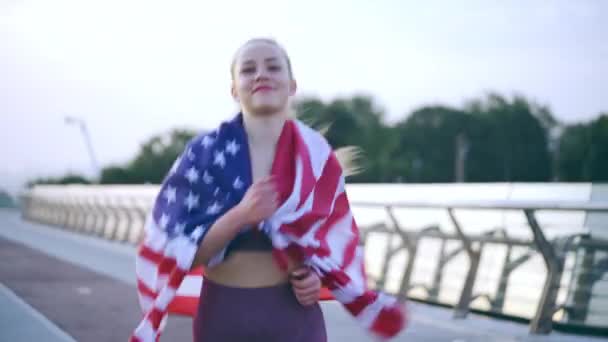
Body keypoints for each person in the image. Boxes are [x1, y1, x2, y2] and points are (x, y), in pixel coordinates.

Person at [131, 37, 406, 342]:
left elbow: (332, 249)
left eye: (273, 67)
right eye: (248, 69)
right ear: (235, 89)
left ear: (292, 85)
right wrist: (241, 215)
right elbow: (179, 253)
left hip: (295, 318)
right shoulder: (203, 155)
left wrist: (315, 278)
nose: (261, 74)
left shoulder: (316, 157)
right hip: (224, 315)